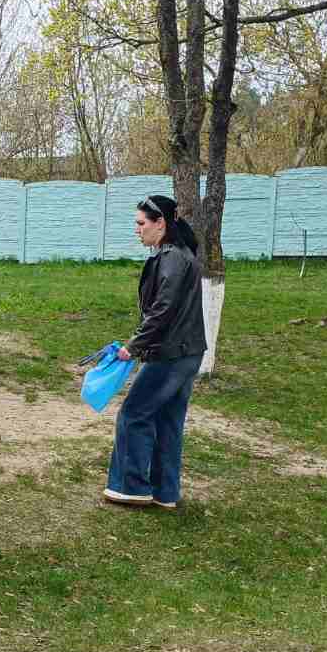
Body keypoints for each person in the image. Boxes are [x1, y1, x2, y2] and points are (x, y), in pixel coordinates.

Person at [103, 193, 206, 510]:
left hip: (170, 354)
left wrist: (132, 347)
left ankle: (131, 487)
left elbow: (163, 310)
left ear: (160, 223)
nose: (137, 229)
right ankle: (166, 493)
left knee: (134, 413)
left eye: (141, 223)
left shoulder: (172, 257)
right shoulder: (181, 253)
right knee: (167, 420)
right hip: (187, 352)